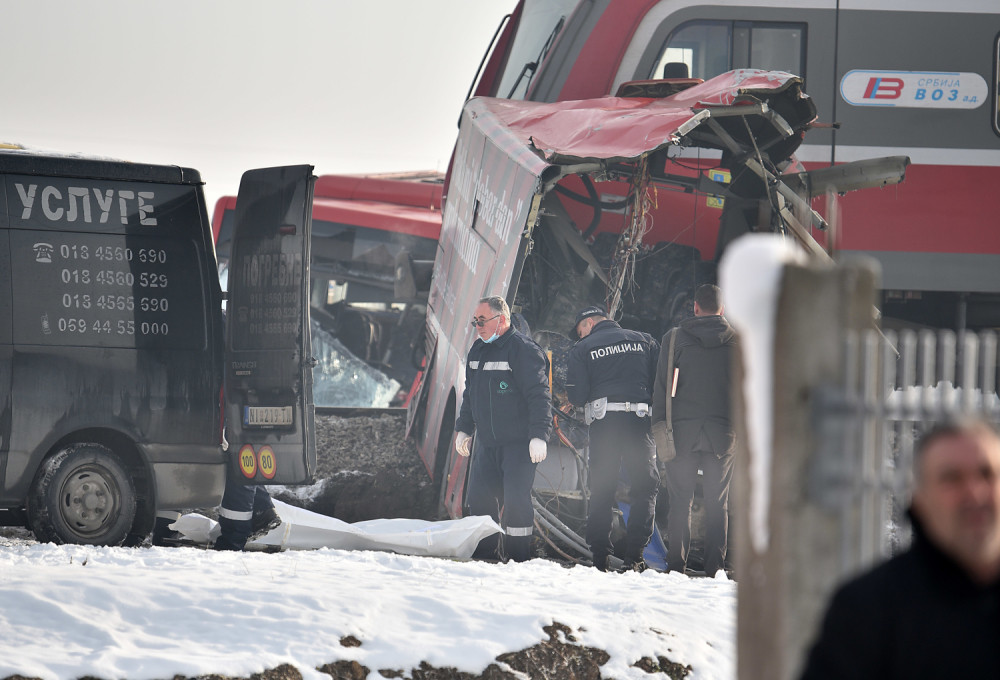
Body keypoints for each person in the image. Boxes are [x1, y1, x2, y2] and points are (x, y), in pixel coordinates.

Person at [799, 418, 1000, 679]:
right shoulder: (868, 611)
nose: (975, 493)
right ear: (919, 500)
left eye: (987, 473)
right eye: (952, 478)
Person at [454, 295, 552, 562]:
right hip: (487, 443)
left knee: (517, 503)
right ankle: (486, 558)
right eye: (476, 321)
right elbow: (470, 393)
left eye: (483, 320)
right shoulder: (478, 350)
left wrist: (539, 436)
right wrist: (464, 428)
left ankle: (518, 561)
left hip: (518, 445)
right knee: (479, 500)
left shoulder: (524, 351)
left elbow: (539, 396)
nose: (478, 326)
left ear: (502, 320)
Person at [565, 304, 660, 572]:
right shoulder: (645, 341)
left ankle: (600, 559)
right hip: (639, 424)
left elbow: (577, 396)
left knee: (602, 489)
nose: (580, 336)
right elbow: (660, 384)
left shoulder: (583, 349)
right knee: (646, 487)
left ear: (589, 324)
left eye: (580, 330)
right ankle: (635, 557)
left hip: (605, 426)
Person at [652, 283, 737, 576]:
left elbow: (662, 388)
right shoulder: (740, 342)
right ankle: (715, 570)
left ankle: (676, 567)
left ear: (696, 307)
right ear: (723, 309)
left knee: (680, 503)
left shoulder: (674, 339)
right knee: (718, 504)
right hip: (724, 436)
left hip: (682, 435)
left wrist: (660, 426)